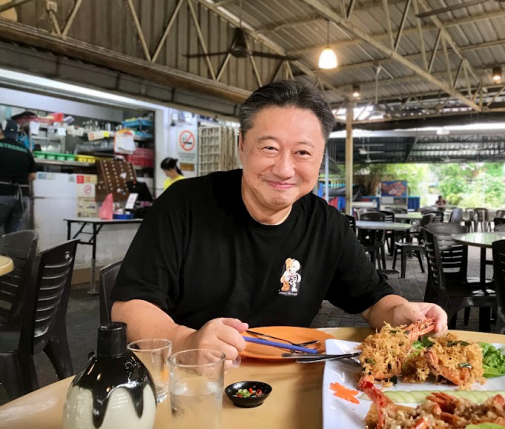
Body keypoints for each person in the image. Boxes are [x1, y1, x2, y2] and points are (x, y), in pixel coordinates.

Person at [111, 81, 448, 367]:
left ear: (320, 157)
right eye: (270, 148)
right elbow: (130, 306)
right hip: (191, 379)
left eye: (303, 153)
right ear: (243, 146)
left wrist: (402, 312)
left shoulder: (326, 225)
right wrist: (186, 342)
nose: (285, 169)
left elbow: (374, 301)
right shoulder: (184, 204)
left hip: (285, 376)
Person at [0, 120, 36, 234]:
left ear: (1, 131)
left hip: (2, 194)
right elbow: (33, 175)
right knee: (13, 235)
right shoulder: (25, 150)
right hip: (22, 197)